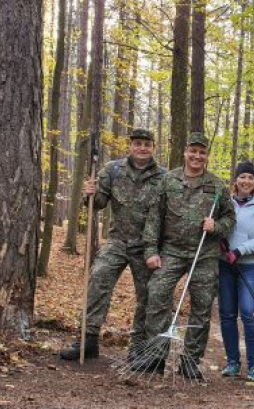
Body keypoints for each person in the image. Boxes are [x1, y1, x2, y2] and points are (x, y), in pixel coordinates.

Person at [59, 129, 166, 362]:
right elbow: (98, 203)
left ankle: (138, 346)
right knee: (98, 278)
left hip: (147, 246)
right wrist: (90, 194)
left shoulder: (163, 177)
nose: (142, 148)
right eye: (137, 143)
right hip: (118, 241)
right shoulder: (112, 170)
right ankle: (88, 339)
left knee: (147, 295)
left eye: (147, 144)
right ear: (130, 146)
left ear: (153, 147)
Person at [139, 132, 237, 379]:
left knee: (202, 307)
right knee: (157, 294)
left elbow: (230, 218)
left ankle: (191, 360)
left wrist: (217, 226)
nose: (197, 156)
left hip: (204, 254)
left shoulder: (217, 186)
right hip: (171, 251)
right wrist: (150, 251)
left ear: (206, 155)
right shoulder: (168, 180)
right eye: (193, 151)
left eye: (202, 152)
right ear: (185, 152)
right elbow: (154, 217)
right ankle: (156, 355)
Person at [218, 161, 254, 382]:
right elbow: (217, 226)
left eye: (250, 177)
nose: (246, 181)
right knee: (227, 314)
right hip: (225, 265)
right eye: (242, 177)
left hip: (250, 267)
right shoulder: (225, 202)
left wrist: (240, 250)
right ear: (236, 180)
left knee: (250, 314)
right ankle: (232, 362)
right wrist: (219, 241)